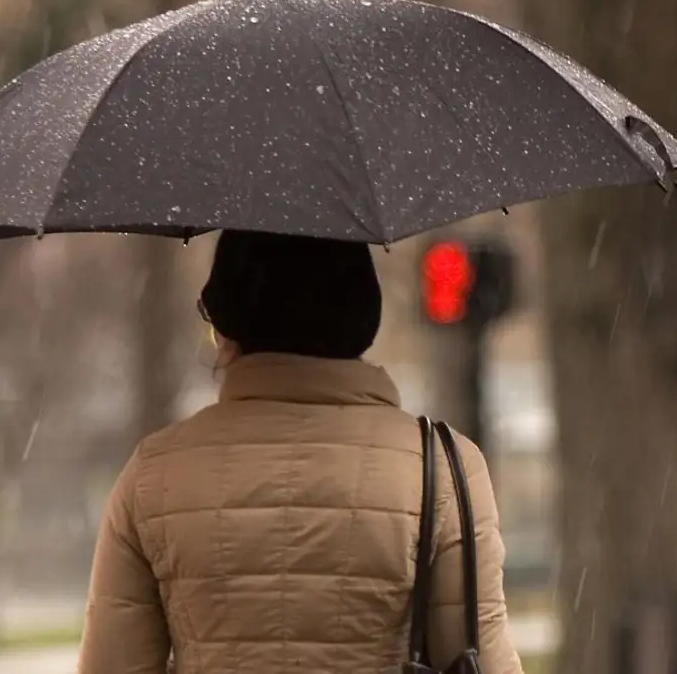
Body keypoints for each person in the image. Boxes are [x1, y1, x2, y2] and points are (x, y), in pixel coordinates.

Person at [77, 230, 524, 674]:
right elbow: (482, 659)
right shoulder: (441, 467)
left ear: (226, 324)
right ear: (362, 315)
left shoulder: (154, 475)